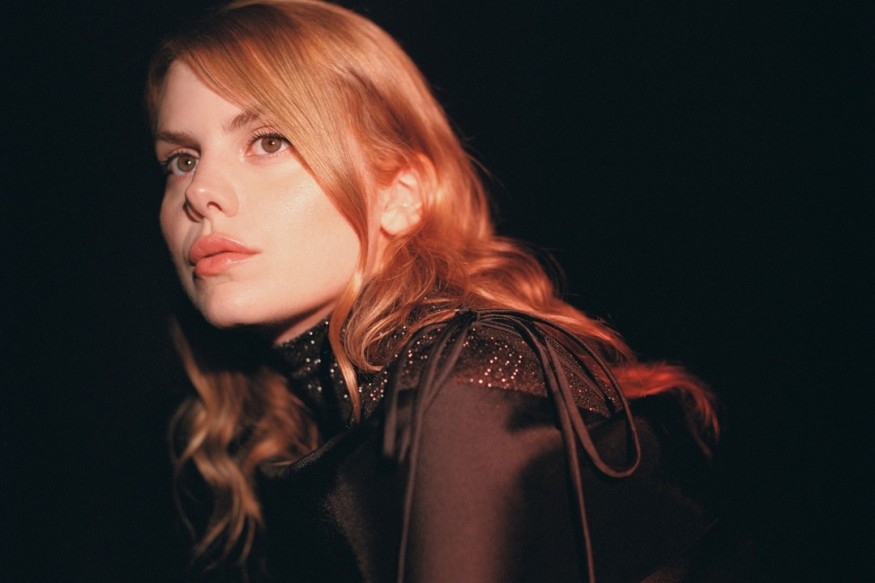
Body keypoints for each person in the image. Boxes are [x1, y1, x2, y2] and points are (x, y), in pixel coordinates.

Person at [147, 1, 722, 581]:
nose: (200, 190)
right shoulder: (319, 415)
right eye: (182, 160)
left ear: (401, 194)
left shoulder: (467, 379)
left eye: (268, 142)